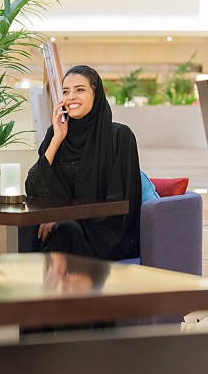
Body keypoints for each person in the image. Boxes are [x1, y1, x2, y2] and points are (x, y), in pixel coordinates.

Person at [25, 65, 141, 261]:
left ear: (96, 95)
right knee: (38, 230)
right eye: (65, 91)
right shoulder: (55, 134)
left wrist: (63, 217)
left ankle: (53, 288)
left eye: (80, 90)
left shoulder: (119, 137)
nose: (71, 97)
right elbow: (33, 188)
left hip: (106, 235)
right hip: (61, 228)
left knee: (65, 230)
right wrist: (56, 139)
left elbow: (120, 203)